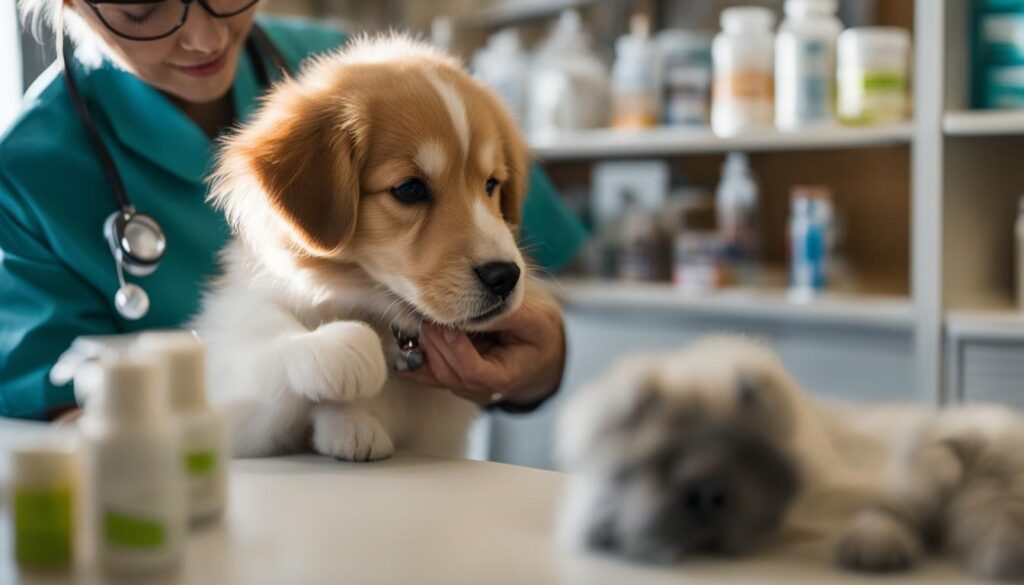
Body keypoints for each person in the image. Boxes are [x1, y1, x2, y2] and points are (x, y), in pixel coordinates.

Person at [0, 0, 587, 420]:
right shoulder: (30, 168)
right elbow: (58, 417)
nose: (204, 37)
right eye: (143, 9)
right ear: (72, 6)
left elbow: (517, 262)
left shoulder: (371, 76)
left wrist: (539, 364)